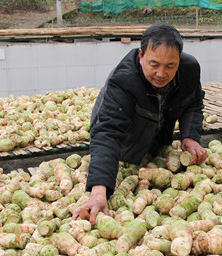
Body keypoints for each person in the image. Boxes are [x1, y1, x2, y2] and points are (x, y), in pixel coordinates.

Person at [73, 24, 207, 225]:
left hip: (155, 129)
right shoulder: (124, 81)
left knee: (155, 149)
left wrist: (189, 136)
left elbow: (193, 103)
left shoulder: (190, 69)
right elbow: (108, 133)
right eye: (154, 64)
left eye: (170, 66)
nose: (161, 73)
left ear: (179, 59)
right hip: (124, 139)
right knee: (127, 157)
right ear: (141, 55)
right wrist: (99, 192)